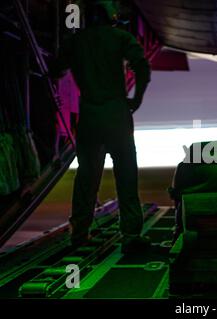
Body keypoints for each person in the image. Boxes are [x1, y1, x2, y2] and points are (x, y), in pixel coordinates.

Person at [50, 1, 151, 254]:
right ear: (111, 16)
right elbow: (142, 67)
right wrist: (136, 99)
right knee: (126, 174)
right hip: (117, 114)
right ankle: (130, 234)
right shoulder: (120, 37)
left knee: (86, 177)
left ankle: (79, 234)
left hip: (89, 117)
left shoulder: (76, 41)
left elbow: (56, 69)